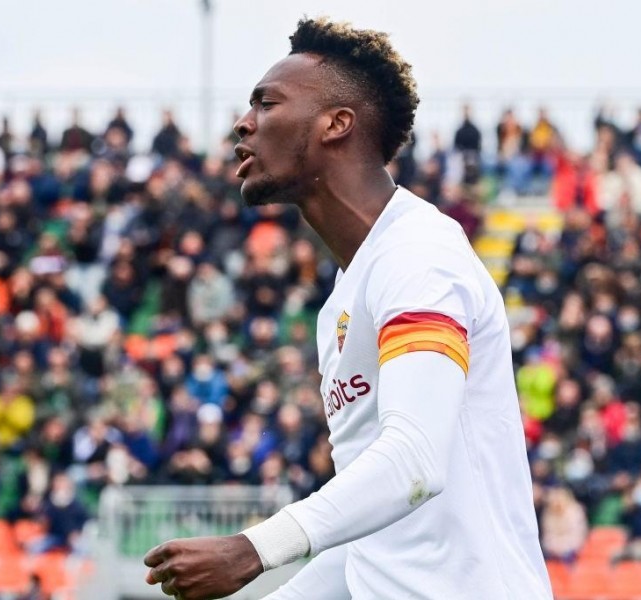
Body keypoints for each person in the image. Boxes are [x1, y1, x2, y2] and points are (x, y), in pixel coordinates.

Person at [143, 17, 551, 599]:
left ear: (337, 124)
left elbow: (413, 459)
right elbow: (373, 546)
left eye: (267, 103)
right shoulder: (341, 299)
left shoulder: (419, 253)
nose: (244, 121)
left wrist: (253, 549)